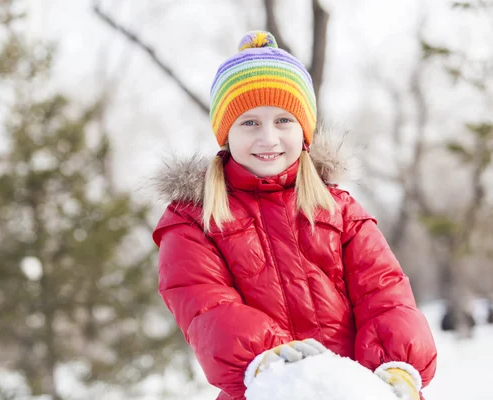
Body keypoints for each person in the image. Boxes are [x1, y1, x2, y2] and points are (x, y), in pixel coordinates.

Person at [152, 30, 437, 400]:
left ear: (304, 130)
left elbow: (383, 291)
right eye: (249, 122)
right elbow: (206, 304)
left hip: (356, 390)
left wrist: (396, 364)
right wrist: (266, 361)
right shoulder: (193, 221)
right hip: (263, 389)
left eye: (283, 120)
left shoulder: (339, 210)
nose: (268, 138)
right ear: (226, 134)